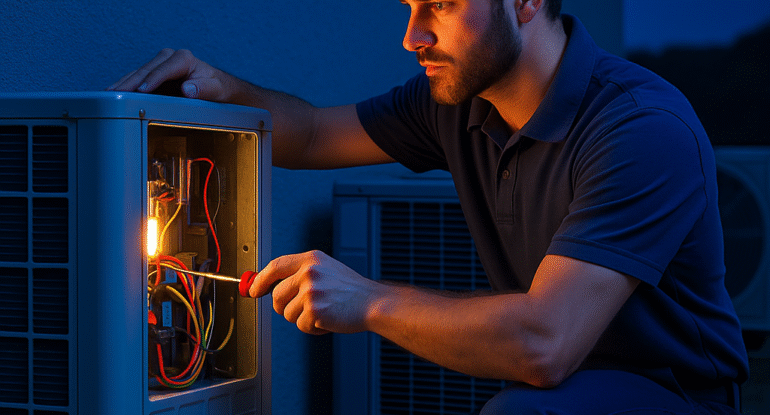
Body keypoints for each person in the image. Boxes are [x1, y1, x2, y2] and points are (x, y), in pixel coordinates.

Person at [110, 0, 750, 413]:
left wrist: (367, 301)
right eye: (410, 6)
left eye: (440, 5)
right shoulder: (456, 104)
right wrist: (219, 88)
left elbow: (543, 344)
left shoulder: (641, 128)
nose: (412, 36)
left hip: (674, 395)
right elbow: (313, 134)